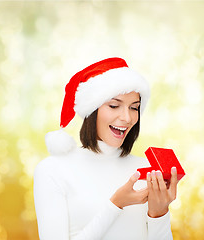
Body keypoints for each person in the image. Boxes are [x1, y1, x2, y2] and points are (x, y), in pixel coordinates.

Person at [33, 57, 178, 240]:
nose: (127, 118)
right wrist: (116, 205)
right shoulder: (53, 170)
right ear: (92, 109)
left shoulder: (147, 170)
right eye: (114, 105)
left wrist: (159, 213)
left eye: (134, 108)